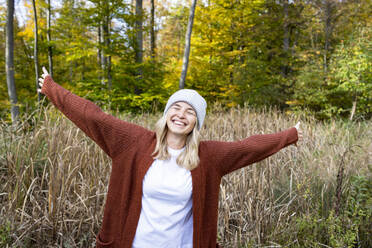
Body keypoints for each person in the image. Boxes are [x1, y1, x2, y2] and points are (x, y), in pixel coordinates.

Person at [38, 67, 303, 248]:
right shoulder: (133, 142)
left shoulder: (208, 157)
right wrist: (52, 89)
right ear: (166, 114)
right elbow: (93, 116)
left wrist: (289, 135)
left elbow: (249, 147)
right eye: (175, 108)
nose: (181, 114)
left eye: (190, 112)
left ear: (195, 123)